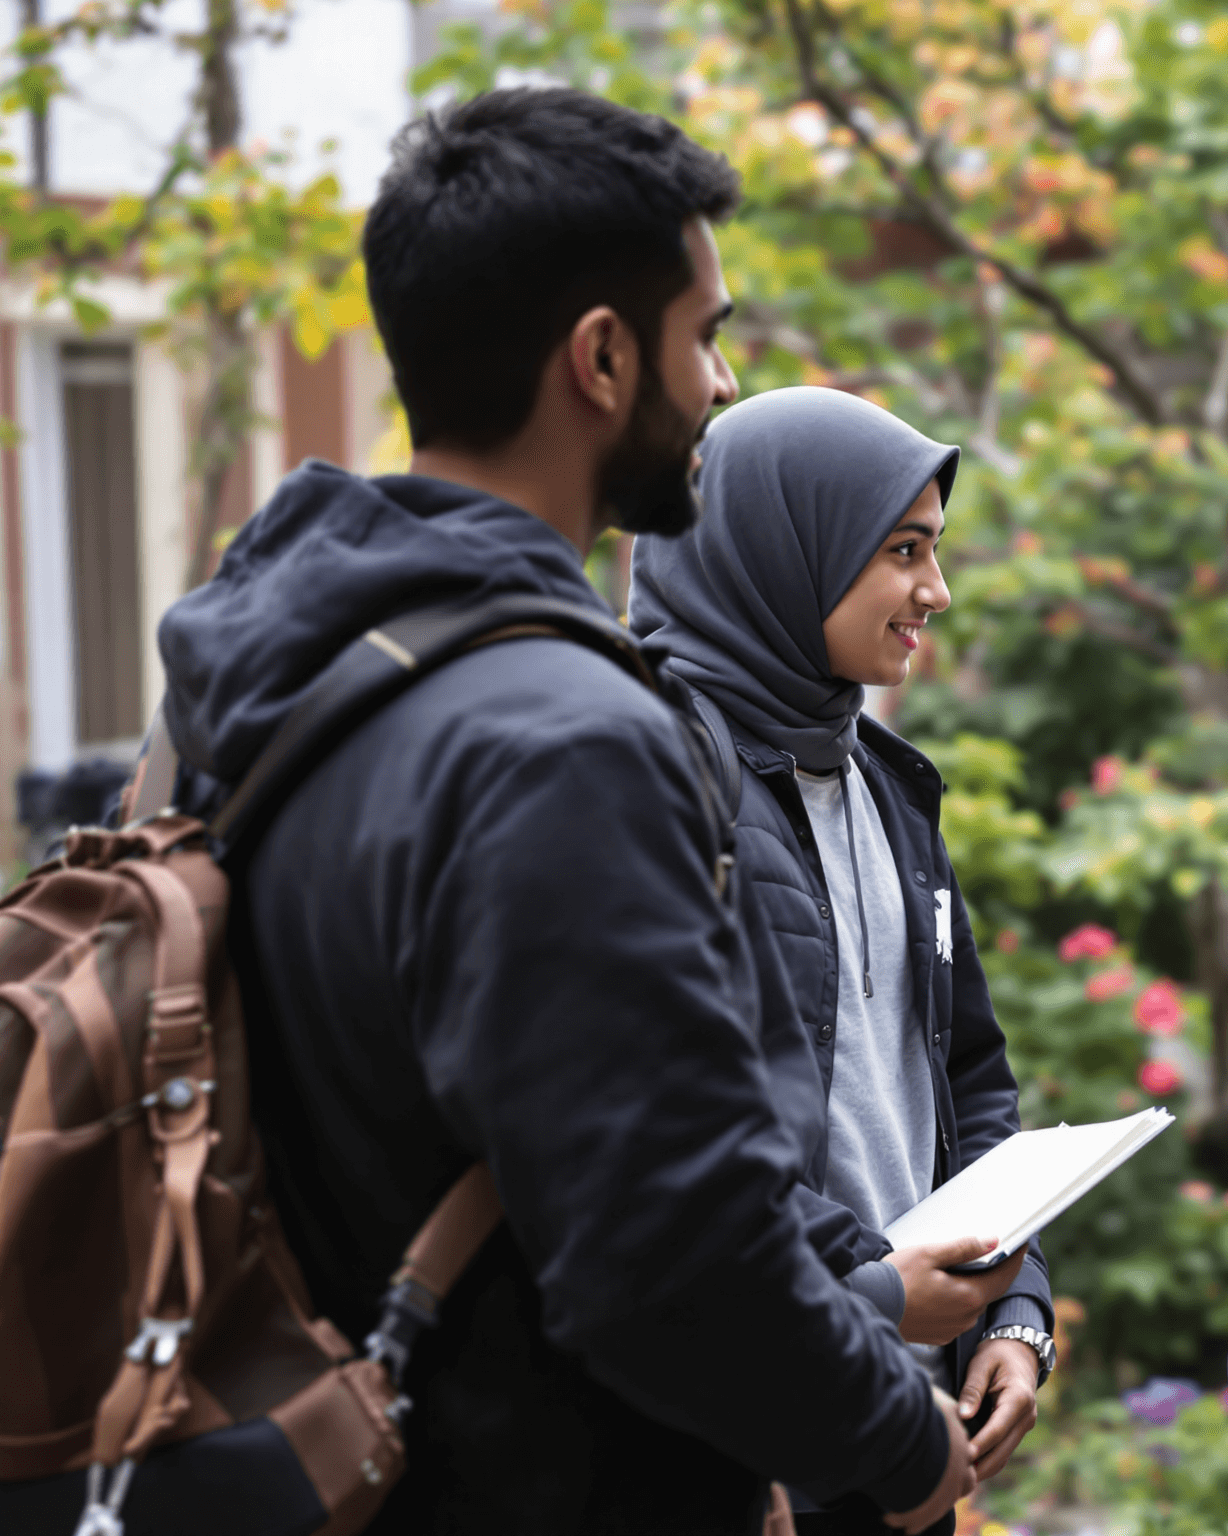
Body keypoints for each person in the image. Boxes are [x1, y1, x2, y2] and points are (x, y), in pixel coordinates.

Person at [153, 89, 969, 1534]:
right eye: (706, 335)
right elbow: (671, 1245)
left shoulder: (260, 676)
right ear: (601, 357)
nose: (722, 388)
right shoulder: (565, 743)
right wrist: (898, 1446)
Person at [630, 386, 1055, 1529]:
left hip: (897, 1416)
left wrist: (1015, 1312)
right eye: (903, 551)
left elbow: (966, 1077)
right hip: (752, 1430)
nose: (936, 591)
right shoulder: (660, 779)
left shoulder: (886, 780)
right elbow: (680, 1131)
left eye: (936, 549)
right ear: (787, 549)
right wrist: (870, 1298)